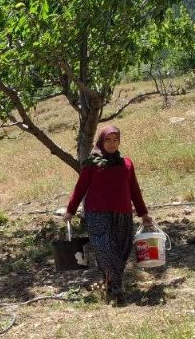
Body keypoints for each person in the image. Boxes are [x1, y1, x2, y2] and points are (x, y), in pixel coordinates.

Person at [63, 126, 154, 306]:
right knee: (104, 250)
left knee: (121, 251)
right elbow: (80, 188)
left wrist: (143, 213)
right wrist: (70, 210)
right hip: (97, 214)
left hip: (123, 214)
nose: (112, 144)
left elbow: (134, 190)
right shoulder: (91, 163)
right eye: (108, 140)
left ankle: (110, 282)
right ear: (101, 141)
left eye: (115, 140)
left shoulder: (126, 164)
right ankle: (116, 288)